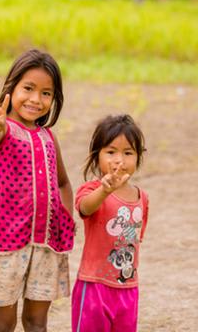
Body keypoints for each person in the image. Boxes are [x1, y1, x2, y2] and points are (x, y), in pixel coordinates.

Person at [0, 49, 75, 332]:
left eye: (46, 93)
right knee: (3, 323)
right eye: (29, 89)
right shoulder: (3, 129)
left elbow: (62, 183)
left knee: (37, 322)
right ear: (12, 88)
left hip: (46, 245)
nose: (36, 99)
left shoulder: (48, 138)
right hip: (6, 244)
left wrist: (66, 218)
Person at [71, 114, 149, 332]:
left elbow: (135, 239)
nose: (119, 160)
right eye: (111, 152)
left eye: (128, 152)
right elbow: (85, 208)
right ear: (97, 157)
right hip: (94, 286)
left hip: (127, 287)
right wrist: (104, 191)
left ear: (138, 157)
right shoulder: (92, 190)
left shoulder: (142, 197)